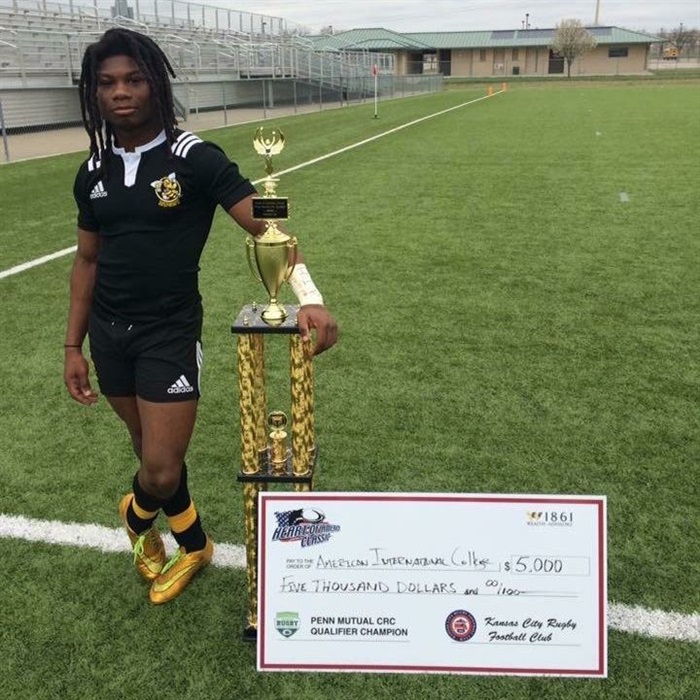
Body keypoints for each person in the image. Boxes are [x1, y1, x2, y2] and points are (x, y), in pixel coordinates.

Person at [63, 28, 338, 604]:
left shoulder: (196, 159)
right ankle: (194, 544)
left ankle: (136, 519)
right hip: (108, 334)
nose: (120, 92)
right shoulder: (92, 171)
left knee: (160, 470)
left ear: (156, 87)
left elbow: (269, 228)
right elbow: (87, 260)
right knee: (150, 453)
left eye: (134, 80)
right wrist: (72, 346)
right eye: (107, 83)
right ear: (93, 93)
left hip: (168, 333)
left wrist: (308, 296)